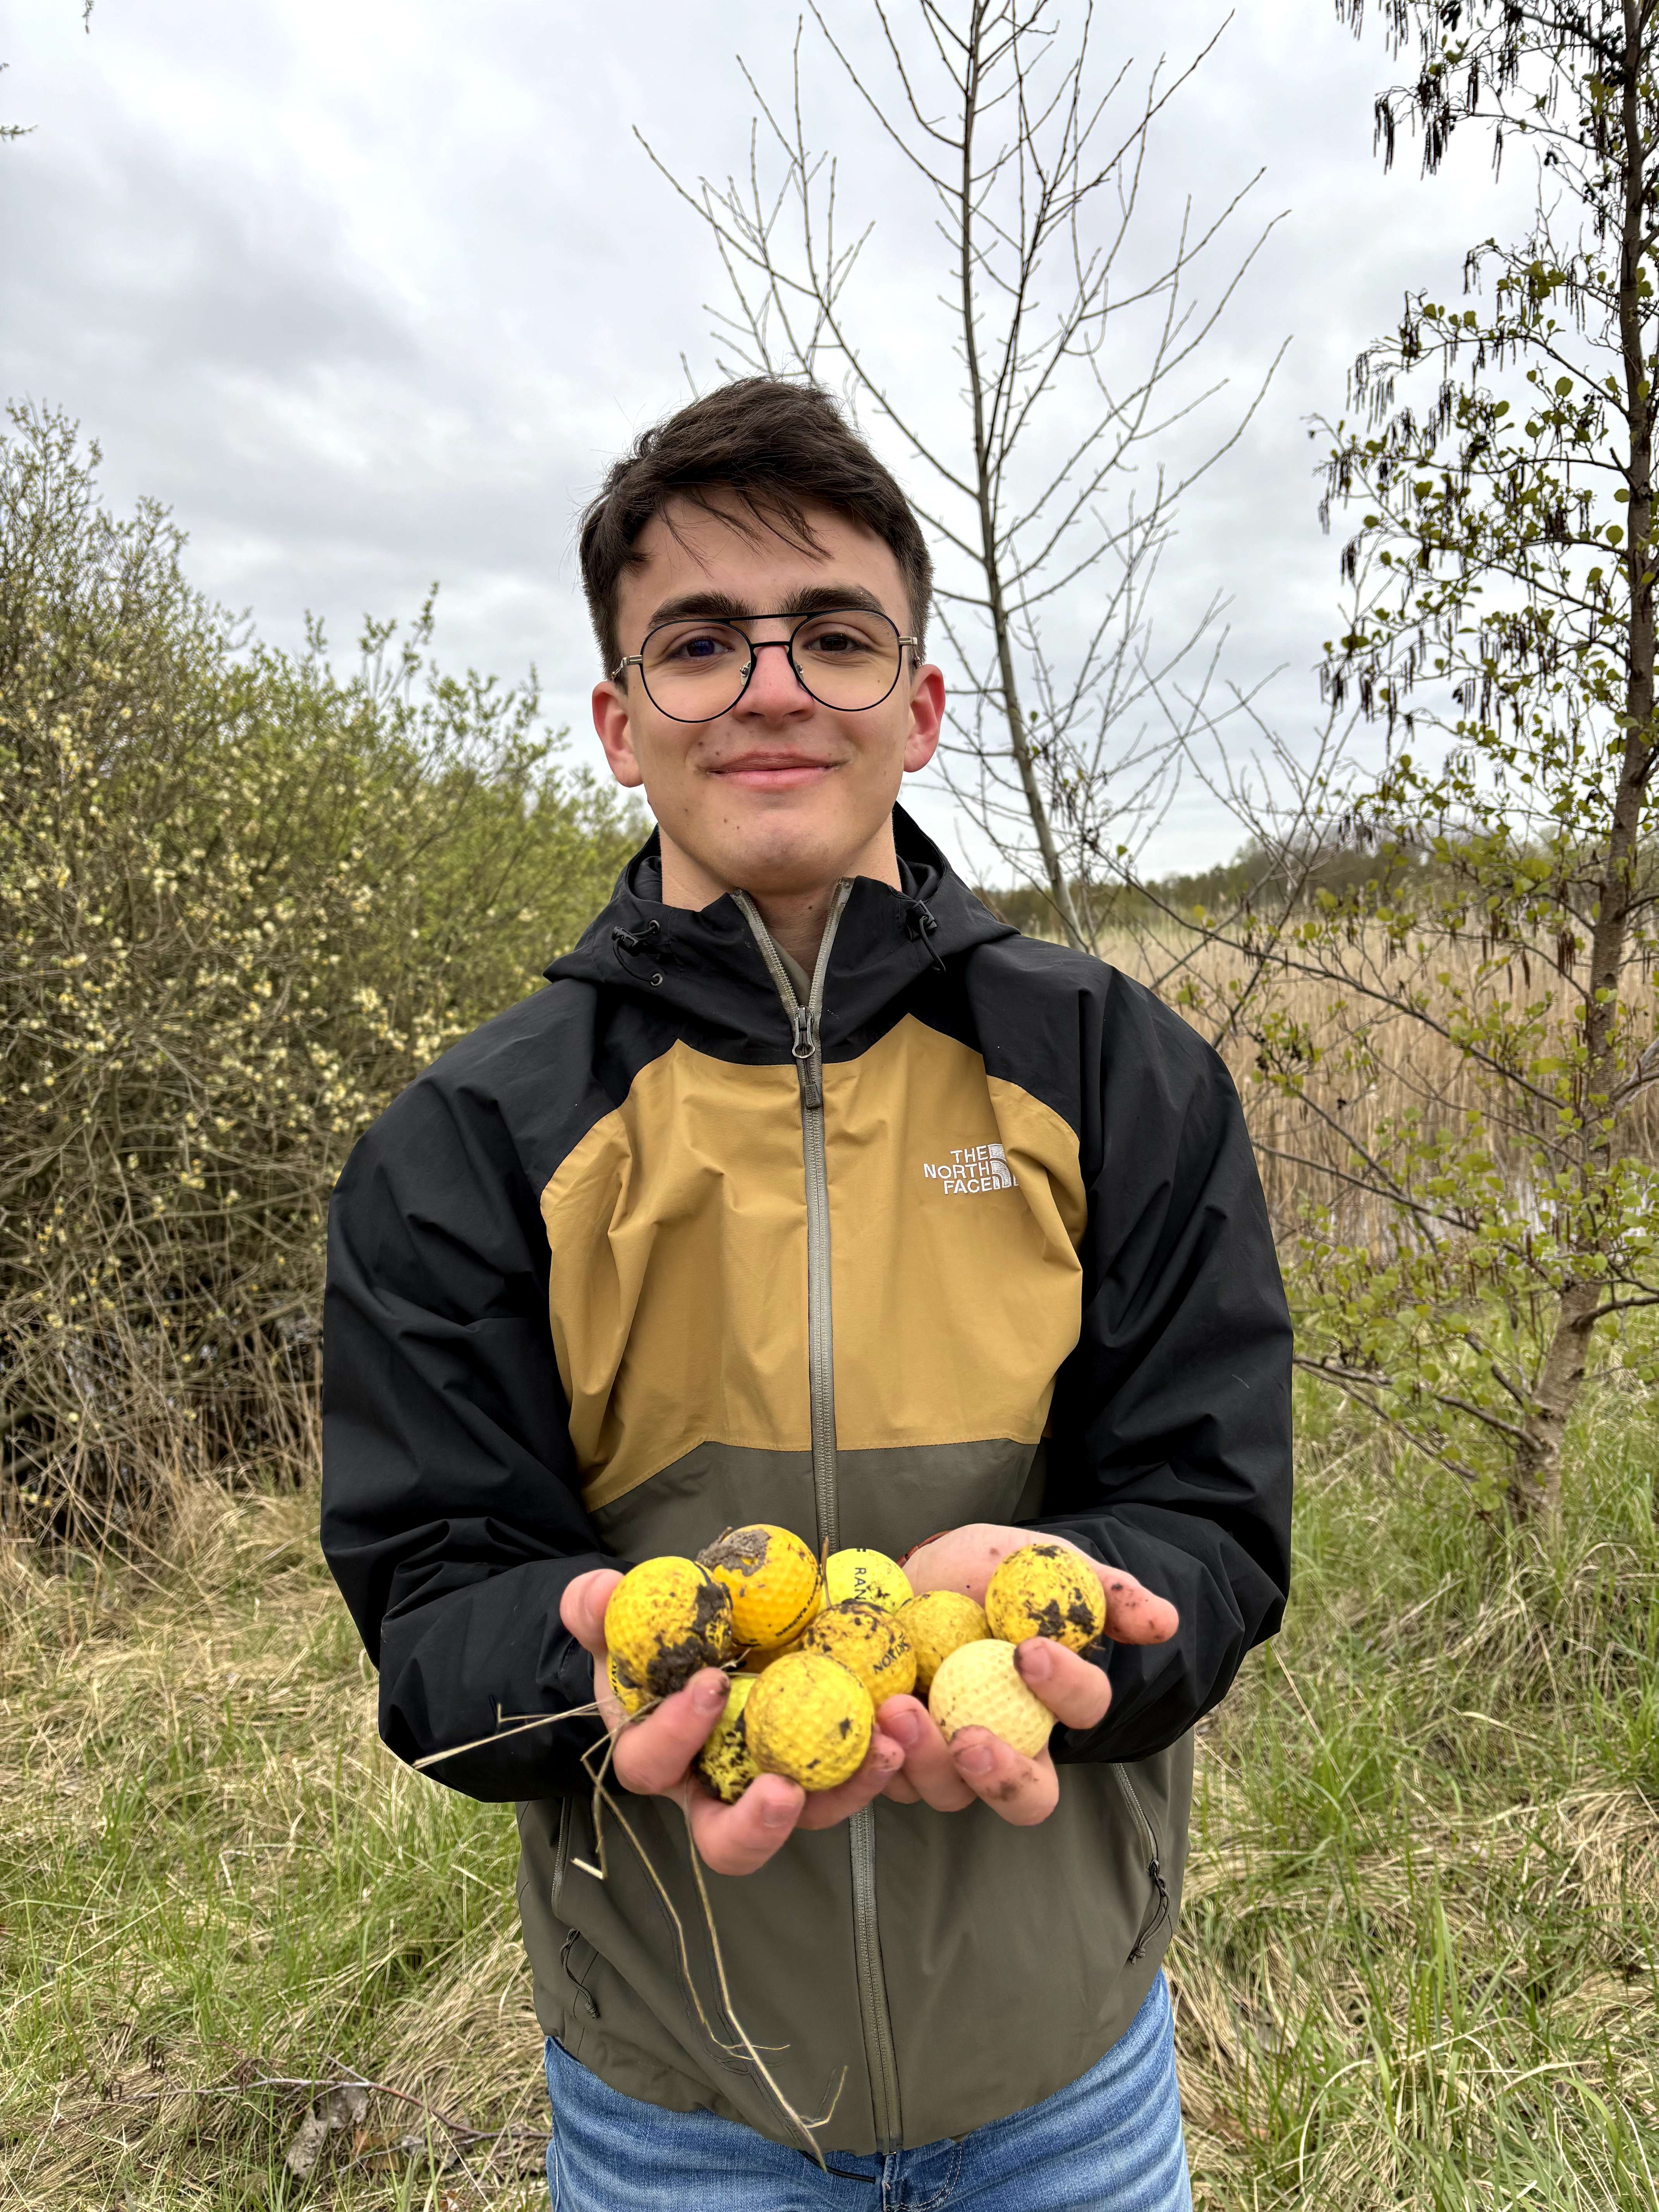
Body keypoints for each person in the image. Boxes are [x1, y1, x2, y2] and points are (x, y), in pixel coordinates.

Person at [320, 376, 1292, 2210]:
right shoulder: (467, 1142)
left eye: (833, 634)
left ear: (917, 708)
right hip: (678, 2099)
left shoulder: (1118, 1076)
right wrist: (602, 1664)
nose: (770, 684)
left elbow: (1216, 1521)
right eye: (700, 642)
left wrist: (1081, 1628)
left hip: (1062, 2072)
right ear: (621, 722)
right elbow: (430, 1603)